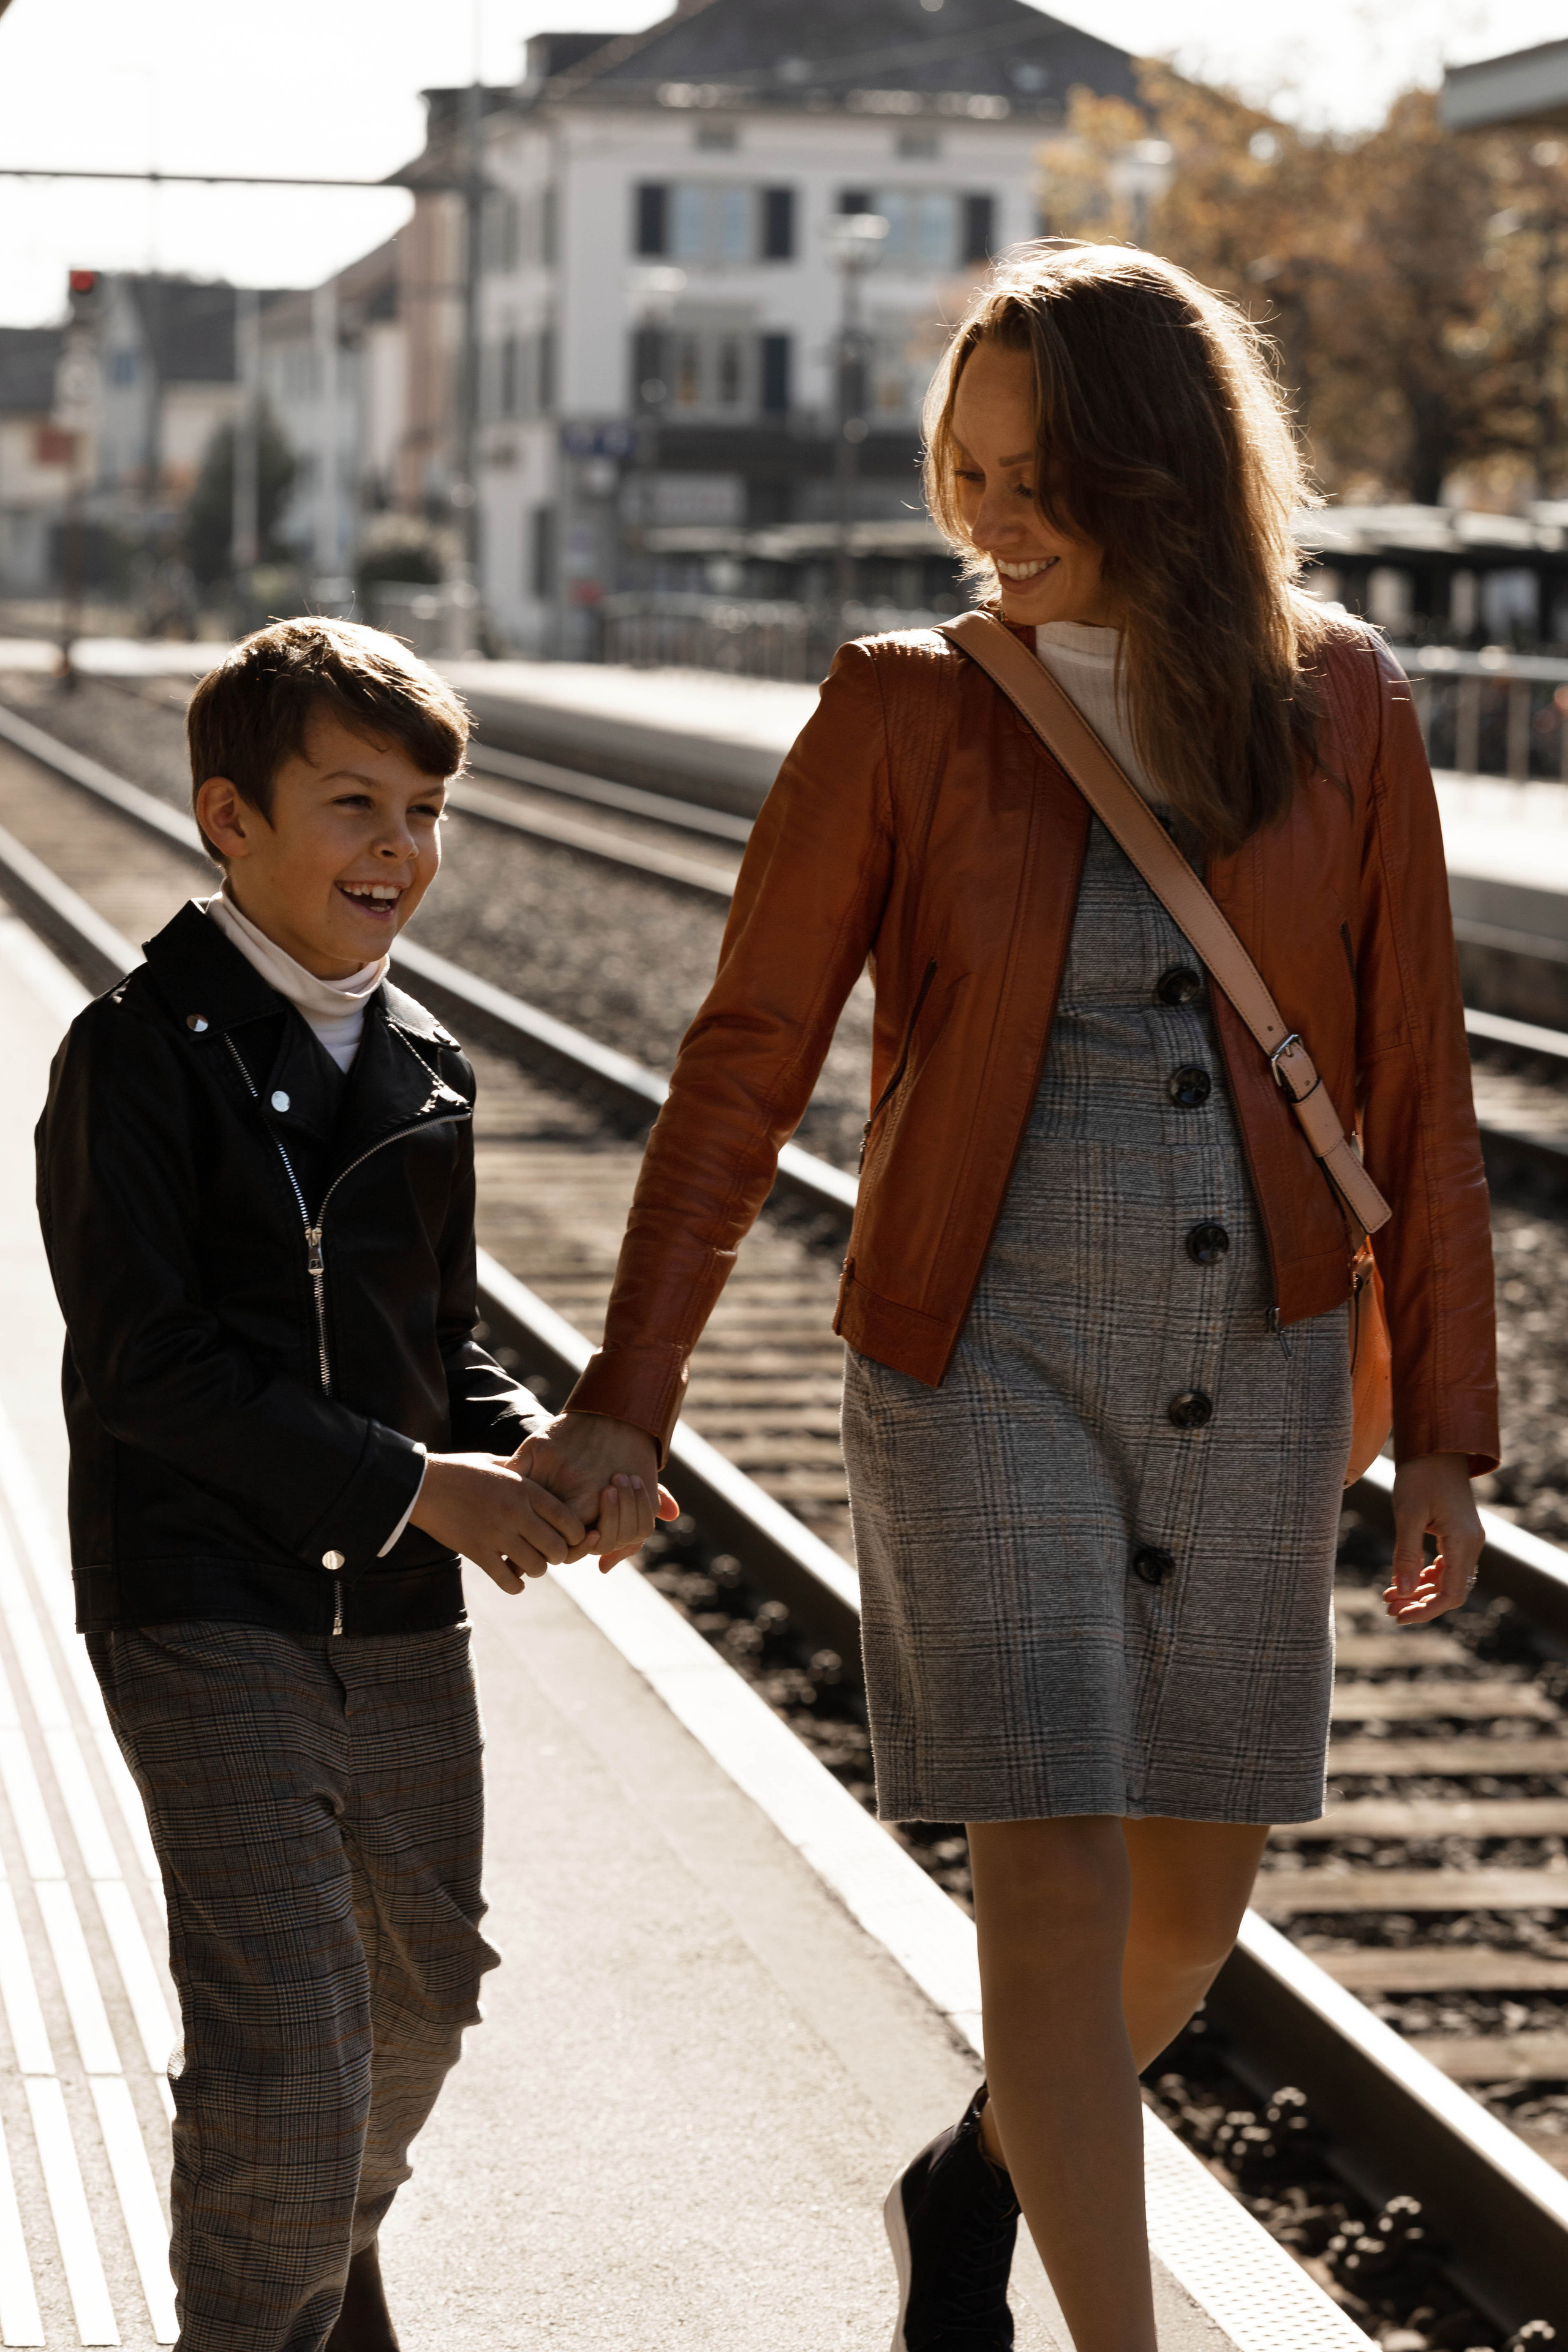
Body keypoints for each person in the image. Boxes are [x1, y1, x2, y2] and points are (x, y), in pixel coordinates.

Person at [529, 246, 1499, 2350]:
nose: (989, 518)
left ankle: (973, 2177)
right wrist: (629, 1394)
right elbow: (745, 1058)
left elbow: (1419, 1088)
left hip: (1261, 1365)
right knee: (1049, 1871)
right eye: (965, 474)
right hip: (974, 1360)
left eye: (1037, 473)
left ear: (1166, 466)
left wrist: (1448, 1430)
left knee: (1185, 1916)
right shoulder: (905, 707)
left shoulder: (1349, 708)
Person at [35, 619, 664, 2352]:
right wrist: (414, 1486)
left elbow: (432, 1341)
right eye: (355, 804)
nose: (401, 847)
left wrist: (522, 1444)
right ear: (229, 820)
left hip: (391, 1612)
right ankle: (270, 2304)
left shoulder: (428, 1069)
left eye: (427, 809)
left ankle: (324, 2260)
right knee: (292, 2059)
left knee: (419, 2003)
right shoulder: (137, 1057)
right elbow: (142, 1369)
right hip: (202, 1601)